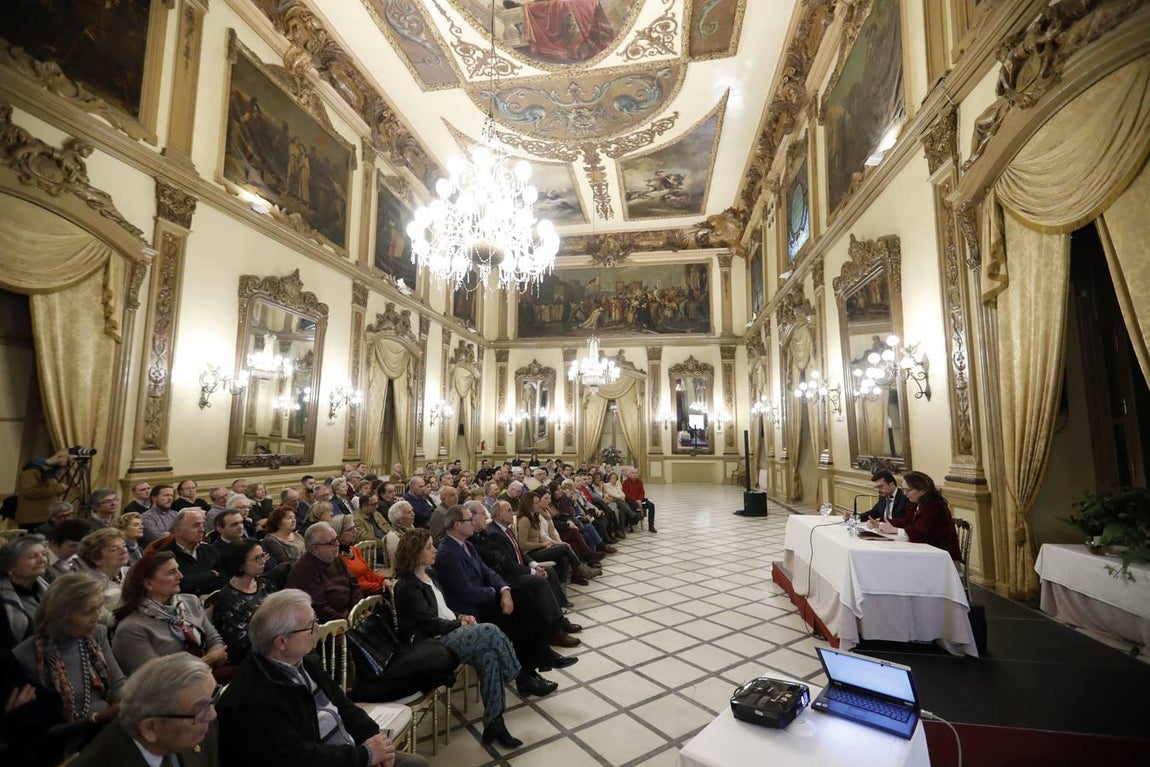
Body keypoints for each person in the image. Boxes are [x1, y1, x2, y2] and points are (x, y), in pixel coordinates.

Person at [216, 589, 428, 767]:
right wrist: (366, 755)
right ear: (281, 642)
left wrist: (374, 738)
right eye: (311, 626)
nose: (317, 629)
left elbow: (343, 704)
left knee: (416, 763)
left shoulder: (303, 661)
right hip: (331, 759)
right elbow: (301, 758)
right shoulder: (253, 700)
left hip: (346, 751)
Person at [392, 529, 523, 749]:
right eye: (429, 547)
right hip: (431, 644)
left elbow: (443, 609)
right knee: (489, 630)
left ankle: (495, 722)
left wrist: (460, 617)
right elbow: (429, 624)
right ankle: (514, 672)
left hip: (448, 632)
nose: (435, 550)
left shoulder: (430, 574)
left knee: (489, 656)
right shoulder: (407, 586)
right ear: (415, 553)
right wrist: (458, 624)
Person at [433, 505, 573, 698]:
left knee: (523, 599)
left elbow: (488, 572)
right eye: (469, 520)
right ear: (457, 525)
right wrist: (495, 592)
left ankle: (539, 659)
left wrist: (504, 590)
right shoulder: (448, 553)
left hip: (483, 598)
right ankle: (528, 674)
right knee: (515, 621)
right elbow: (467, 592)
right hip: (471, 609)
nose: (473, 523)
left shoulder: (467, 545)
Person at [12, 573, 125, 752]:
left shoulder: (97, 634)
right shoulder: (25, 656)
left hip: (108, 731)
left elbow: (118, 683)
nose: (97, 617)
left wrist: (126, 703)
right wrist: (98, 718)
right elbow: (39, 730)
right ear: (60, 615)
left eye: (99, 608)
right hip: (65, 744)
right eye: (88, 612)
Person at [69, 653, 219, 767]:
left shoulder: (195, 726)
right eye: (201, 708)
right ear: (150, 728)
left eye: (210, 702)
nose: (213, 715)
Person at [111, 552, 228, 676]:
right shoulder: (132, 628)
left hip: (207, 674)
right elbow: (153, 676)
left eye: (178, 569)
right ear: (148, 584)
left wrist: (216, 655)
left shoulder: (190, 602)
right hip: (173, 686)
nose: (180, 576)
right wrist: (207, 660)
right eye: (172, 572)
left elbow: (214, 639)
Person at [872, 471, 962, 560]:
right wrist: (881, 524)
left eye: (908, 490)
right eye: (903, 489)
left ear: (922, 490)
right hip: (926, 553)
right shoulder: (916, 503)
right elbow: (906, 522)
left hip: (943, 557)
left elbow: (921, 535)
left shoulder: (935, 506)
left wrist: (895, 530)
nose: (904, 493)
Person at [211, 539, 270, 665]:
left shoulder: (264, 584)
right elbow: (242, 642)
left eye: (263, 556)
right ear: (240, 565)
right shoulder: (229, 599)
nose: (263, 561)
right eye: (257, 558)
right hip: (251, 658)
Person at [286, 522, 360, 622]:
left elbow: (354, 584)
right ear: (316, 548)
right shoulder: (303, 570)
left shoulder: (335, 557)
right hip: (327, 624)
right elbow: (318, 607)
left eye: (336, 539)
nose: (338, 544)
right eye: (332, 542)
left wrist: (355, 610)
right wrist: (345, 621)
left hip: (348, 614)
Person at [1, 534, 52, 648]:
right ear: (10, 566)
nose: (42, 560)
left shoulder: (50, 588)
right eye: (32, 556)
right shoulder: (3, 597)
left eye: (44, 554)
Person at [160, 509, 225, 596]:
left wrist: (196, 584)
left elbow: (225, 578)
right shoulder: (164, 556)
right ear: (178, 531)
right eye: (196, 525)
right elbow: (180, 585)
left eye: (203, 525)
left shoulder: (210, 550)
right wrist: (211, 574)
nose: (202, 530)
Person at [74, 528, 131, 626]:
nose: (124, 551)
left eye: (124, 545)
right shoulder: (88, 585)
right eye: (114, 549)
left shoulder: (132, 573)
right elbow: (106, 620)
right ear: (96, 559)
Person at [16, 450, 71, 530]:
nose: (68, 465)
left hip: (46, 516)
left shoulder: (50, 472)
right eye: (68, 461)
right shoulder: (31, 470)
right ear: (59, 457)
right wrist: (58, 488)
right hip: (33, 519)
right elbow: (29, 492)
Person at [331, 515, 385, 596]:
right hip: (356, 595)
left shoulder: (354, 550)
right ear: (339, 534)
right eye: (350, 529)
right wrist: (379, 586)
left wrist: (383, 580)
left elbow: (368, 572)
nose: (355, 531)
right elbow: (351, 585)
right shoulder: (335, 557)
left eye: (354, 527)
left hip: (370, 589)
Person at [622, 467, 657, 533]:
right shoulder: (626, 482)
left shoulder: (639, 482)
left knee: (651, 505)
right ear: (629, 474)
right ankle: (631, 525)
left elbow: (642, 492)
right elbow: (626, 494)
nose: (635, 474)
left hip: (640, 501)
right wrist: (636, 500)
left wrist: (640, 500)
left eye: (636, 473)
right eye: (633, 473)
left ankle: (651, 526)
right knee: (633, 505)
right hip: (630, 500)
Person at [384, 500, 415, 570]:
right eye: (409, 512)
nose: (413, 514)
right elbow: (400, 560)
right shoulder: (393, 536)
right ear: (400, 519)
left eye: (412, 510)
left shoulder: (410, 527)